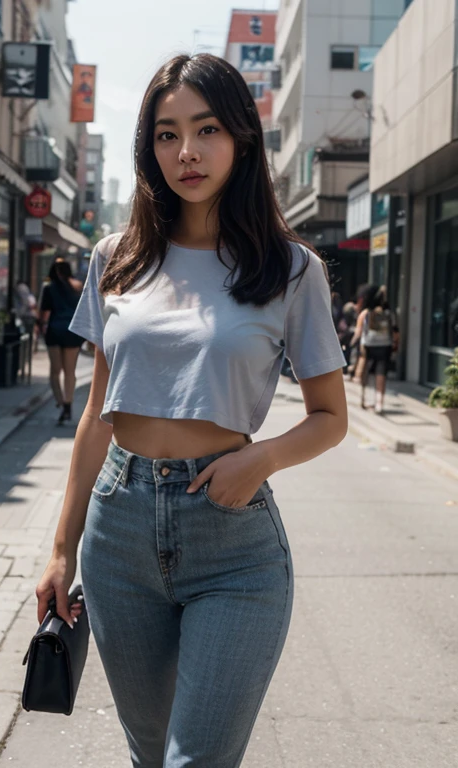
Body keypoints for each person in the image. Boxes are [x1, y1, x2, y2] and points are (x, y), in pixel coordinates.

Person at [35, 53, 348, 768]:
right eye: (168, 134)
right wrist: (60, 551)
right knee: (152, 756)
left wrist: (261, 458)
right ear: (150, 147)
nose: (188, 152)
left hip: (233, 541)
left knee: (193, 760)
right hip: (117, 537)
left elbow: (331, 416)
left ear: (241, 138)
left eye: (207, 129)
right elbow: (96, 417)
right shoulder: (116, 258)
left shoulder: (290, 269)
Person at [39, 259, 84, 425]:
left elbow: (44, 314)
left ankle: (59, 400)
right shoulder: (77, 286)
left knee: (55, 371)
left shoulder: (49, 288)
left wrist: (40, 327)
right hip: (73, 332)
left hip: (55, 330)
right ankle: (68, 403)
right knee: (70, 371)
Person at [351, 284, 397, 414]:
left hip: (368, 346)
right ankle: (379, 404)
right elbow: (395, 332)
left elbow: (358, 333)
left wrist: (353, 343)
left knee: (365, 373)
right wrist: (395, 346)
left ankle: (363, 399)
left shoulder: (365, 314)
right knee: (381, 374)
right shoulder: (388, 313)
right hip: (384, 346)